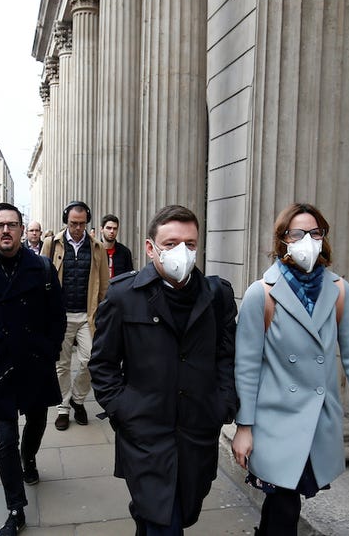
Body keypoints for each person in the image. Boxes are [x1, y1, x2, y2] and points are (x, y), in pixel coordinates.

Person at [231, 202, 349, 535]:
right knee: (284, 504)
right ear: (283, 240)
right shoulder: (263, 293)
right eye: (297, 233)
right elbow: (246, 366)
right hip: (275, 421)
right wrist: (244, 426)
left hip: (316, 422)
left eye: (315, 233)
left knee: (284, 504)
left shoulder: (340, 290)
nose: (307, 240)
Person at [89, 205, 238, 534]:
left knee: (177, 514)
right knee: (164, 522)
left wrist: (223, 404)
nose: (181, 251)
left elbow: (226, 356)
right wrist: (123, 409)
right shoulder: (123, 296)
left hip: (197, 432)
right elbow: (103, 363)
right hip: (146, 435)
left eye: (190, 243)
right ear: (150, 248)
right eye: (170, 244)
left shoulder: (217, 296)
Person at [0, 202, 66, 536]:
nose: (6, 230)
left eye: (12, 224)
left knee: (36, 421)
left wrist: (49, 350)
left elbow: (57, 317)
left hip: (35, 362)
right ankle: (15, 508)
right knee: (4, 439)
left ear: (22, 230)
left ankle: (30, 457)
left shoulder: (43, 269)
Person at [40, 200, 110, 430]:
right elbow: (41, 282)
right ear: (65, 221)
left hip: (88, 316)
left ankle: (78, 400)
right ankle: (63, 407)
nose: (77, 228)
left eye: (82, 223)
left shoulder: (98, 248)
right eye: (73, 223)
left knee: (90, 360)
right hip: (60, 316)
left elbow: (104, 287)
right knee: (61, 365)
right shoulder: (51, 244)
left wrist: (104, 314)